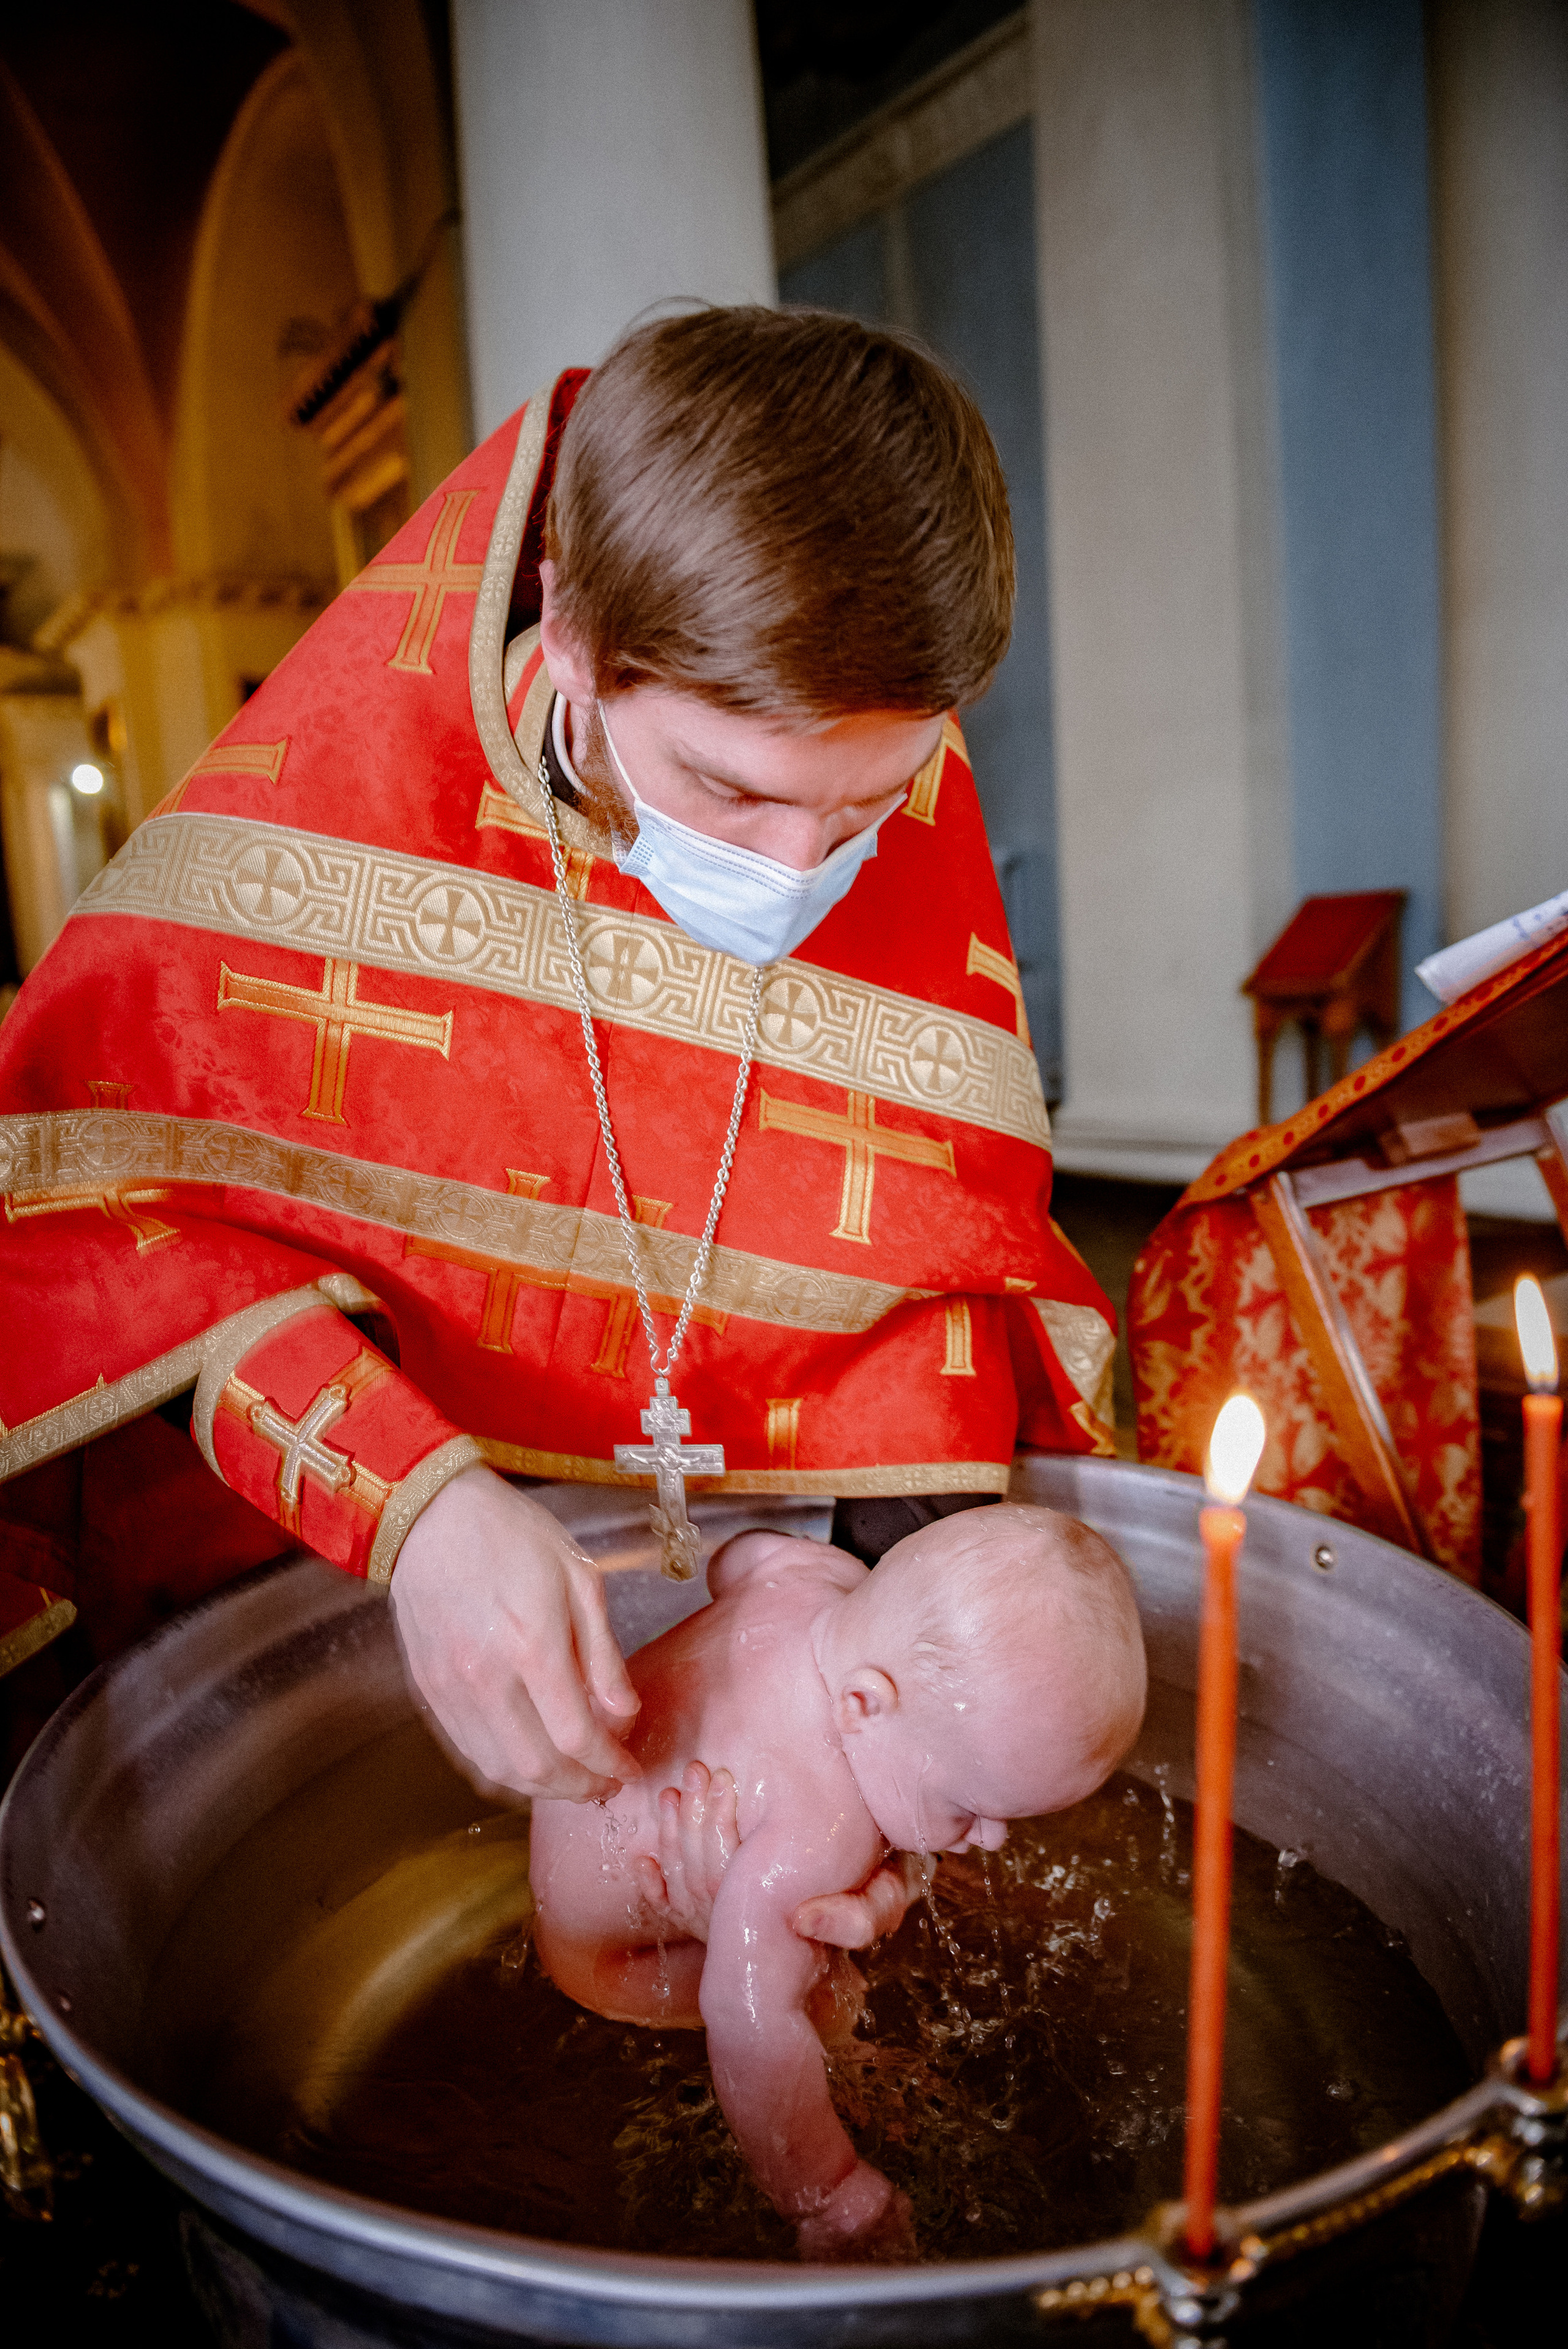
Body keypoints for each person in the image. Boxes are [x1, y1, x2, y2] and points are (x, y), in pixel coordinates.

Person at [0, 308, 1118, 1814]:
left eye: (869, 801)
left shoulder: (882, 791)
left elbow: (938, 1278)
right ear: (572, 633)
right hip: (336, 1606)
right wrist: (417, 1501)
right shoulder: (307, 844)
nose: (801, 870)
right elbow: (104, 1232)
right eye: (726, 790)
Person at [529, 1504, 1148, 2260]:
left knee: (817, 1922)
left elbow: (736, 1560)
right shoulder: (816, 1831)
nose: (991, 1837)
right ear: (861, 1707)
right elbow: (746, 2015)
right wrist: (826, 2193)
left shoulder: (816, 1574)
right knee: (825, 1994)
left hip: (568, 1816)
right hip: (609, 1960)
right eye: (968, 1808)